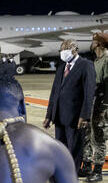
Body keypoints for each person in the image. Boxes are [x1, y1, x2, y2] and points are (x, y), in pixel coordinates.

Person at [43, 39, 97, 174]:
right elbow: (54, 93)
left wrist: (84, 116)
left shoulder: (86, 65)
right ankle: (62, 174)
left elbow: (89, 93)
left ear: (75, 50)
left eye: (66, 49)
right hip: (59, 116)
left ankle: (72, 176)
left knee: (74, 148)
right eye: (62, 50)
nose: (63, 52)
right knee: (60, 148)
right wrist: (49, 115)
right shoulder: (62, 67)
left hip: (75, 117)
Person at [83, 32, 108, 183]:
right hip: (94, 100)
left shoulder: (106, 59)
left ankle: (97, 170)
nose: (91, 44)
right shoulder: (97, 59)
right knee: (89, 133)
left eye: (93, 41)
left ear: (98, 44)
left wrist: (104, 106)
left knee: (98, 136)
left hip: (102, 102)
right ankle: (86, 165)